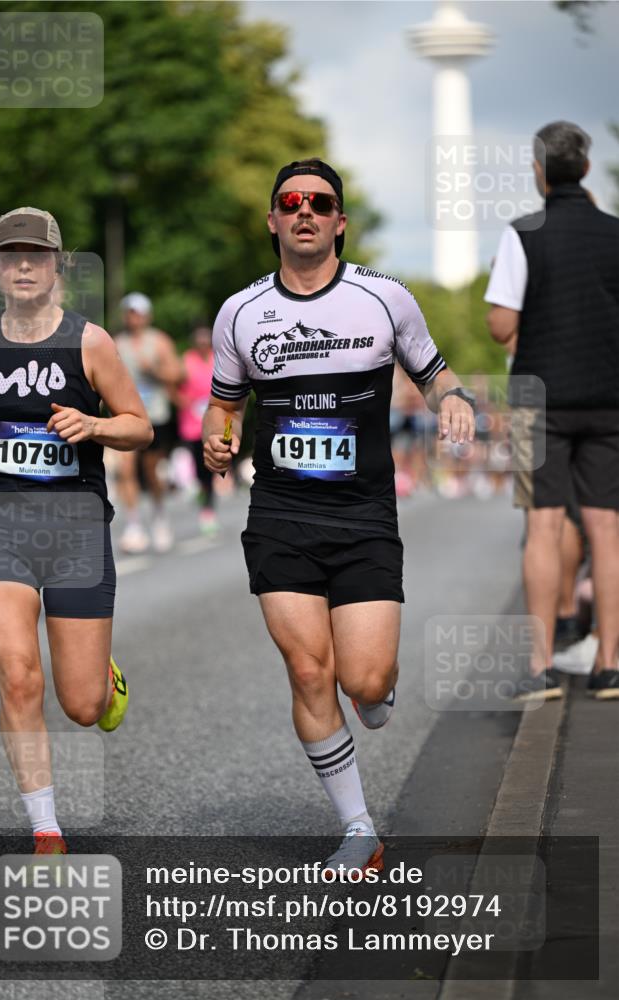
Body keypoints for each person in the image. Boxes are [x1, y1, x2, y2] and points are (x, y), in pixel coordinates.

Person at [203, 159, 475, 875]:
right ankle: (358, 828)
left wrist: (453, 399)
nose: (304, 212)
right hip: (281, 513)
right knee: (306, 667)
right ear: (271, 220)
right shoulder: (240, 311)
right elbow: (225, 402)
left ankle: (374, 687)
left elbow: (434, 372)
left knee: (362, 679)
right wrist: (217, 432)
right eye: (290, 202)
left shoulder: (383, 299)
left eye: (319, 203)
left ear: (339, 222)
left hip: (362, 515)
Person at [0, 207, 153, 853]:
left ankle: (102, 678)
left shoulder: (90, 342)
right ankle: (45, 828)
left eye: (35, 255)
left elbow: (138, 424)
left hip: (76, 532)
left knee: (83, 705)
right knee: (17, 672)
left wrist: (93, 426)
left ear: (57, 265)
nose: (22, 266)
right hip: (1, 525)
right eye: (10, 256)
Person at [485, 121, 619, 700]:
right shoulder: (615, 233)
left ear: (539, 172)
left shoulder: (523, 234)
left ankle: (542, 667)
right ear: (586, 169)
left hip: (540, 401)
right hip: (610, 398)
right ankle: (610, 663)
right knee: (607, 529)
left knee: (542, 526)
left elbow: (500, 326)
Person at [114, 293, 181, 553]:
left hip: (155, 416)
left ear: (147, 315)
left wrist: (153, 370)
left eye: (138, 312)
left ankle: (159, 515)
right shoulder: (116, 343)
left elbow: (177, 374)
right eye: (129, 312)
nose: (134, 317)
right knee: (126, 470)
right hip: (126, 415)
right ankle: (133, 525)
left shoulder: (160, 341)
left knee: (152, 472)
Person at [176, 325, 218, 534]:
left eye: (205, 341)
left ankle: (208, 510)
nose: (202, 344)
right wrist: (182, 401)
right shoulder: (186, 361)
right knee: (194, 465)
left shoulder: (218, 359)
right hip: (191, 425)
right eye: (199, 341)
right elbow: (173, 387)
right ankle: (195, 490)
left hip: (213, 424)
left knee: (209, 467)